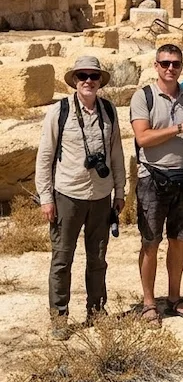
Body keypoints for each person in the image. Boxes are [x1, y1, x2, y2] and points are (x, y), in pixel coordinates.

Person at [35, 56, 126, 340]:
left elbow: (117, 155)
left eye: (94, 76)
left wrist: (120, 191)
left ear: (100, 81)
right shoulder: (59, 111)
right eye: (82, 75)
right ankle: (59, 317)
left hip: (100, 196)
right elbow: (45, 156)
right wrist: (46, 198)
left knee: (97, 259)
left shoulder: (109, 111)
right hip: (67, 195)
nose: (88, 81)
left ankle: (96, 310)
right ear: (74, 80)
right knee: (62, 259)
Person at [130, 44, 183, 324]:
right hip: (153, 178)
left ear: (181, 66)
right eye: (165, 63)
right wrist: (178, 128)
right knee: (150, 242)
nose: (170, 68)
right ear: (156, 65)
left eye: (175, 63)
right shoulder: (144, 97)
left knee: (178, 241)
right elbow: (143, 138)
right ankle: (149, 303)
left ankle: (174, 298)